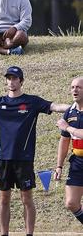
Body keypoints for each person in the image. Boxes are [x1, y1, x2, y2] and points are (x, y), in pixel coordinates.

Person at [0, 66, 70, 236]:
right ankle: (4, 234)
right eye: (9, 78)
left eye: (15, 78)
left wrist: (76, 107)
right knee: (3, 199)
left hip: (24, 159)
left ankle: (29, 234)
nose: (12, 82)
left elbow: (56, 106)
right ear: (6, 81)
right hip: (3, 158)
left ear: (21, 81)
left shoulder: (33, 102)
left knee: (27, 199)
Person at [54, 77, 83, 227]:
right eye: (72, 87)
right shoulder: (70, 112)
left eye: (78, 87)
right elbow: (64, 141)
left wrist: (68, 128)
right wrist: (59, 166)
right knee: (71, 203)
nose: (74, 90)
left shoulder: (67, 123)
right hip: (78, 162)